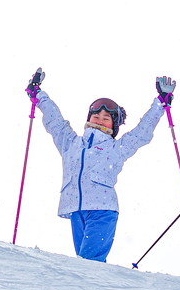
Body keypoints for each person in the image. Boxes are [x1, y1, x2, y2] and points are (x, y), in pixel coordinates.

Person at [25, 72, 171, 262]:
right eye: (96, 115)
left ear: (113, 125)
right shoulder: (71, 143)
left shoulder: (116, 148)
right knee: (85, 263)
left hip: (102, 210)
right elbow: (56, 123)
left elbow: (141, 133)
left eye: (106, 118)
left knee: (88, 263)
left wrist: (160, 103)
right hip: (76, 210)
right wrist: (39, 96)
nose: (99, 120)